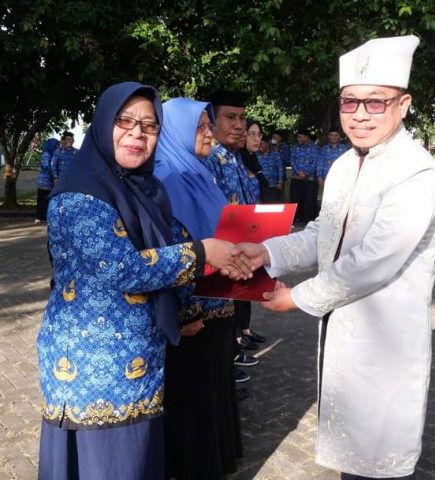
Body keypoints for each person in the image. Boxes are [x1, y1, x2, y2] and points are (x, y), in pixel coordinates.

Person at [236, 35, 435, 479]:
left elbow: (375, 260)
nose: (361, 114)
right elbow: (323, 233)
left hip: (386, 335)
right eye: (350, 101)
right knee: (352, 452)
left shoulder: (416, 171)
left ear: (404, 105)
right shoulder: (345, 165)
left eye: (376, 101)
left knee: (379, 454)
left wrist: (298, 297)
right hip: (343, 327)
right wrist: (267, 251)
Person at [36, 82, 249, 480]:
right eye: (125, 121)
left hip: (143, 361)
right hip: (93, 368)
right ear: (103, 124)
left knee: (141, 461)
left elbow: (170, 244)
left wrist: (190, 303)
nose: (137, 133)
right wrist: (202, 254)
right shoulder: (79, 195)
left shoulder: (143, 188)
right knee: (111, 466)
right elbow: (122, 268)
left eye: (149, 125)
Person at [154, 97, 243, 480]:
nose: (209, 134)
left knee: (214, 390)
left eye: (209, 125)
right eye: (200, 127)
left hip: (219, 300)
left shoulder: (199, 173)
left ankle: (215, 461)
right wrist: (184, 312)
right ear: (176, 132)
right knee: (193, 399)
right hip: (193, 316)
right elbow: (170, 248)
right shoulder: (166, 180)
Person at [203, 90, 259, 386]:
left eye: (242, 118)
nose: (239, 125)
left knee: (232, 316)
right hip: (219, 255)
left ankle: (231, 361)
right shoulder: (208, 158)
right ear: (211, 121)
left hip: (241, 250)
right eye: (230, 117)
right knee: (219, 321)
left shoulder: (234, 157)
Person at [289, 128, 321, 225]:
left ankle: (308, 221)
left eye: (300, 137)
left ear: (306, 137)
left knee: (309, 200)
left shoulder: (314, 148)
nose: (298, 139)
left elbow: (315, 162)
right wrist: (298, 172)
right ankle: (295, 220)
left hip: (309, 179)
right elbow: (292, 160)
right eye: (298, 137)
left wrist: (306, 173)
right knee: (295, 199)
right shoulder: (295, 147)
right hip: (296, 177)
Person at [35, 138, 59, 223]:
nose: (57, 147)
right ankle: (39, 217)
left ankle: (44, 217)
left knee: (47, 200)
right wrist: (54, 170)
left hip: (49, 181)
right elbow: (45, 166)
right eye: (56, 145)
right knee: (42, 199)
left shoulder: (52, 154)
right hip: (44, 181)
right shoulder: (46, 154)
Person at [257, 135, 284, 203]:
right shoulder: (256, 155)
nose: (259, 145)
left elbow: (280, 169)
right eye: (258, 143)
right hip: (260, 187)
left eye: (261, 143)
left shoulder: (275, 154)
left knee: (274, 206)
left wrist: (280, 182)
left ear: (267, 143)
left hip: (274, 186)